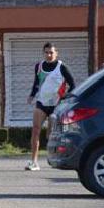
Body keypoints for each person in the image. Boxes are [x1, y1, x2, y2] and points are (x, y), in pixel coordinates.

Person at [26, 42, 76, 171]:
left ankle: (55, 158)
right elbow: (37, 83)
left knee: (51, 133)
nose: (49, 55)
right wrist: (32, 95)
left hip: (56, 105)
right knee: (36, 130)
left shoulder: (62, 67)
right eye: (46, 52)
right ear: (43, 53)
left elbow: (73, 85)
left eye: (51, 53)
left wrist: (64, 97)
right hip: (41, 103)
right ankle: (34, 162)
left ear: (56, 53)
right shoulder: (39, 66)